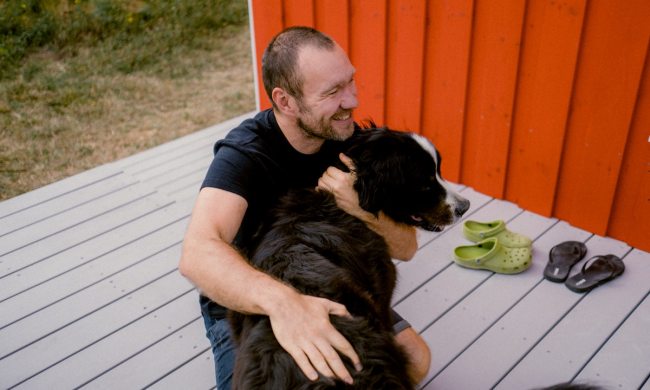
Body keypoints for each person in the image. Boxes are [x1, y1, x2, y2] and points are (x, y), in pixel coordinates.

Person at [179, 26, 431, 389]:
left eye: (350, 82)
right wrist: (286, 305)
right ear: (285, 101)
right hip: (251, 299)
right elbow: (196, 253)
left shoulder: (347, 140)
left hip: (329, 278)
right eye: (333, 92)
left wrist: (359, 208)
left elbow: (406, 247)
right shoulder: (245, 154)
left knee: (416, 361)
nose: (352, 101)